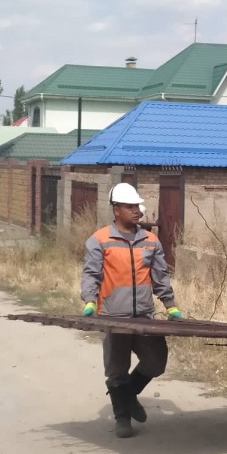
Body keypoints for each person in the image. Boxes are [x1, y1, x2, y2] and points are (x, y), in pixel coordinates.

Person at [80, 182, 182, 438]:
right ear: (116, 210)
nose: (136, 211)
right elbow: (91, 274)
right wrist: (89, 300)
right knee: (117, 368)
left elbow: (160, 277)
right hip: (113, 316)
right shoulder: (99, 240)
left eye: (137, 206)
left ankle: (127, 395)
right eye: (130, 206)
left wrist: (170, 305)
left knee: (156, 361)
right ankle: (122, 417)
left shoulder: (150, 240)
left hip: (144, 315)